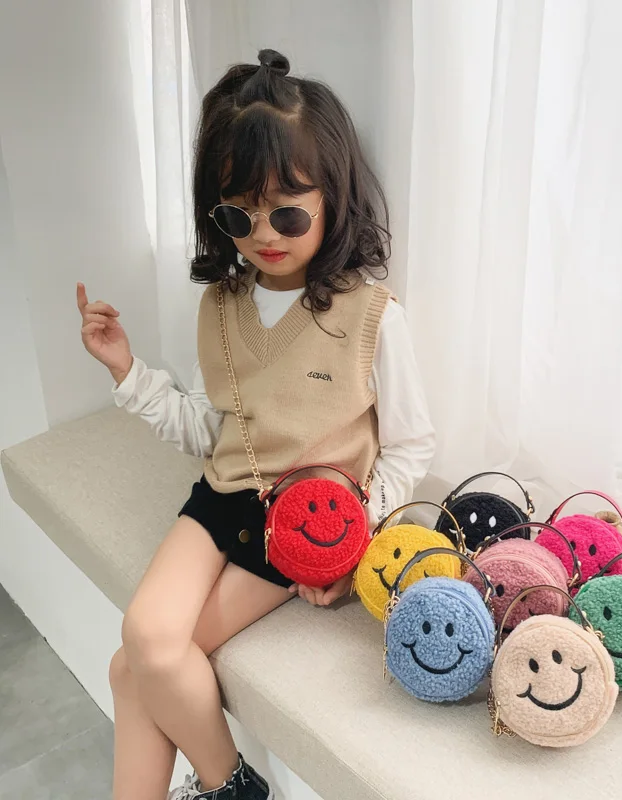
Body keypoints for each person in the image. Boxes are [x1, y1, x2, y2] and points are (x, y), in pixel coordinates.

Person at [77, 48, 434, 800]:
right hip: (221, 498)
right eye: (239, 214)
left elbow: (410, 444)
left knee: (133, 664)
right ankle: (234, 788)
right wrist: (127, 372)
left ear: (333, 197)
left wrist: (349, 536)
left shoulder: (372, 316)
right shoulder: (221, 306)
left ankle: (229, 789)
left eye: (288, 211)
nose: (265, 234)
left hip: (297, 523)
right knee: (142, 646)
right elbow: (213, 429)